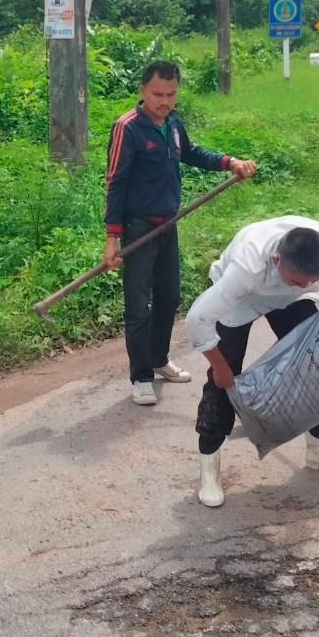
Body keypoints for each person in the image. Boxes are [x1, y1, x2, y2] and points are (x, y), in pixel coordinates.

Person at [104, 61, 257, 407]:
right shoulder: (127, 127)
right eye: (158, 94)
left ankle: (158, 360)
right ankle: (141, 376)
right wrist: (112, 239)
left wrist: (228, 162)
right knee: (138, 306)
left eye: (171, 94)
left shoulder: (173, 123)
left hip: (167, 225)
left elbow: (190, 153)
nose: (165, 101)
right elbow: (115, 183)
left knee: (170, 297)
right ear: (143, 90)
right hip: (139, 229)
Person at [184, 216, 319, 508]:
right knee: (223, 382)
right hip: (242, 301)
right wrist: (220, 366)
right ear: (277, 259)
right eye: (297, 280)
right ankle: (209, 470)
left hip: (291, 300)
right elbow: (197, 320)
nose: (304, 284)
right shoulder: (244, 270)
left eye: (309, 280)